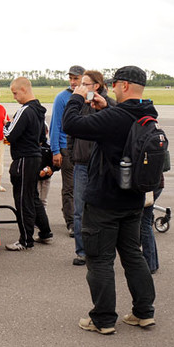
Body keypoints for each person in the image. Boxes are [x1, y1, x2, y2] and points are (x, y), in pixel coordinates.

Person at [63, 65, 156, 335]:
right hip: (133, 199)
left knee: (100, 259)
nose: (112, 87)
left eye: (115, 84)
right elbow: (119, 127)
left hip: (105, 200)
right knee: (132, 255)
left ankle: (103, 319)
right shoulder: (147, 113)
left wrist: (78, 96)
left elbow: (71, 124)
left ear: (124, 86)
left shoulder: (117, 117)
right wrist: (106, 107)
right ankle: (144, 313)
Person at [68, 70, 115, 267]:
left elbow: (115, 122)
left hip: (102, 165)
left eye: (85, 84)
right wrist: (71, 153)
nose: (79, 87)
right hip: (81, 164)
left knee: (103, 210)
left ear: (96, 86)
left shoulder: (109, 104)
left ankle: (104, 250)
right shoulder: (79, 102)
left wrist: (103, 106)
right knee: (79, 210)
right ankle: (82, 251)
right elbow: (70, 129)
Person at [3, 77, 53, 251]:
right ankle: (45, 232)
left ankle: (25, 240)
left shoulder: (24, 111)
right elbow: (41, 138)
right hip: (35, 158)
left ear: (24, 89)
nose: (15, 97)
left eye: (15, 93)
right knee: (33, 197)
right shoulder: (40, 111)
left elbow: (9, 135)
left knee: (23, 200)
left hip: (23, 159)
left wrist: (5, 124)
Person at [50, 65, 85, 237]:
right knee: (70, 187)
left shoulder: (89, 96)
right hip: (66, 149)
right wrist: (55, 150)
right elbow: (55, 124)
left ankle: (84, 219)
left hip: (86, 148)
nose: (72, 81)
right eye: (70, 78)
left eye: (76, 78)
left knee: (86, 186)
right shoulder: (61, 98)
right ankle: (71, 222)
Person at [141, 186, 162, 274]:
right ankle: (152, 263)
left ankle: (149, 264)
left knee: (144, 224)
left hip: (147, 187)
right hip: (153, 186)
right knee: (146, 223)